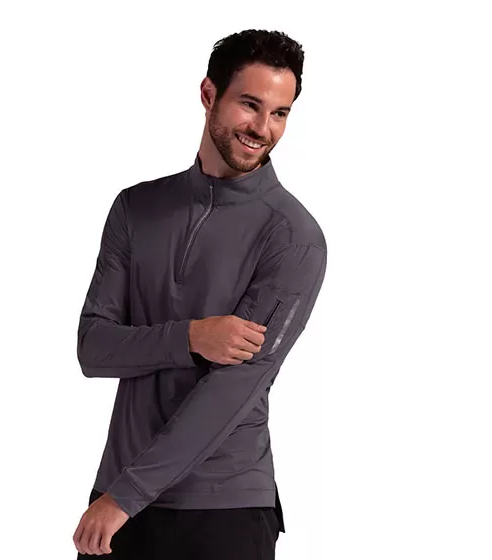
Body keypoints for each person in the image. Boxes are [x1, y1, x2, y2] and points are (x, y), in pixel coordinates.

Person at [73, 29, 327, 559]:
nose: (263, 128)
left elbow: (233, 388)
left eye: (280, 113)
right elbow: (93, 349)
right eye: (250, 104)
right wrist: (191, 337)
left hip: (224, 510)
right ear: (209, 94)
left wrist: (124, 495)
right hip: (118, 504)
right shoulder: (136, 209)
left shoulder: (293, 237)